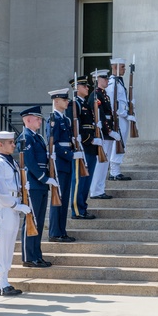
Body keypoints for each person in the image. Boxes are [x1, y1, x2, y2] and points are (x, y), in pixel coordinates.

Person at [0, 131, 31, 296]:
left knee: (8, 245)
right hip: (5, 207)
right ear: (0, 144)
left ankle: (4, 280)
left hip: (14, 206)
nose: (14, 145)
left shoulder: (11, 162)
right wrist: (16, 204)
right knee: (3, 245)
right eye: (10, 142)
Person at [20, 105, 57, 268]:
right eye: (37, 118)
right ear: (28, 120)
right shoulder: (26, 137)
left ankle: (37, 254)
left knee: (39, 221)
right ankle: (29, 257)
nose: (40, 121)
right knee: (31, 220)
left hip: (41, 185)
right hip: (34, 184)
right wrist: (44, 178)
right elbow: (30, 162)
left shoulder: (38, 137)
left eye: (40, 118)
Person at [47, 88, 76, 242]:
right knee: (57, 199)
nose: (67, 102)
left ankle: (61, 231)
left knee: (64, 199)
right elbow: (53, 144)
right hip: (59, 163)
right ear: (56, 101)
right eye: (64, 100)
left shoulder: (65, 119)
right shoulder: (53, 120)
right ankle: (54, 232)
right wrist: (70, 154)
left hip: (66, 162)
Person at [70, 75, 97, 220]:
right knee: (79, 181)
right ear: (77, 88)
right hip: (82, 147)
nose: (88, 88)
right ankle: (77, 210)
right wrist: (88, 139)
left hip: (90, 147)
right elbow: (74, 128)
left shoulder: (85, 104)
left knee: (87, 181)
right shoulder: (74, 105)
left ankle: (83, 207)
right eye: (84, 86)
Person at [88, 69, 115, 200]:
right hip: (103, 133)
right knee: (101, 163)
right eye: (104, 78)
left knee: (105, 164)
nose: (107, 80)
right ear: (98, 80)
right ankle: (95, 190)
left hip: (107, 133)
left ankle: (100, 188)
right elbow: (101, 115)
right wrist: (108, 130)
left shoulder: (104, 95)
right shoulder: (95, 95)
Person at [108, 58, 131, 181]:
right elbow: (112, 104)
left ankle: (116, 170)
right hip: (118, 118)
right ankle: (114, 171)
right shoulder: (112, 84)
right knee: (117, 144)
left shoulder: (119, 83)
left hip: (122, 117)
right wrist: (124, 113)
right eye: (122, 67)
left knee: (121, 143)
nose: (124, 69)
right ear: (115, 67)